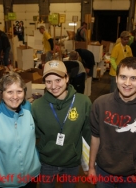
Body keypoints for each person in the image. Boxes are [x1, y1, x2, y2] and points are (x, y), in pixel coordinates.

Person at [88, 57, 136, 188]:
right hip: (103, 171)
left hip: (131, 176)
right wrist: (92, 167)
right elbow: (95, 137)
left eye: (133, 78)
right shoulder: (100, 104)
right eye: (123, 77)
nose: (127, 83)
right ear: (116, 78)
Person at [31, 60, 92, 188]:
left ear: (67, 78)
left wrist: (91, 164)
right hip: (47, 162)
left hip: (72, 162)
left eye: (58, 80)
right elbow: (31, 137)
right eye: (48, 81)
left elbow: (89, 135)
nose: (53, 86)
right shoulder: (37, 106)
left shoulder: (83, 102)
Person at [0, 73, 41, 188]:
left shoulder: (28, 109)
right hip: (5, 182)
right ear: (1, 94)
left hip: (31, 177)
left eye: (19, 91)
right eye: (9, 92)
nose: (15, 96)